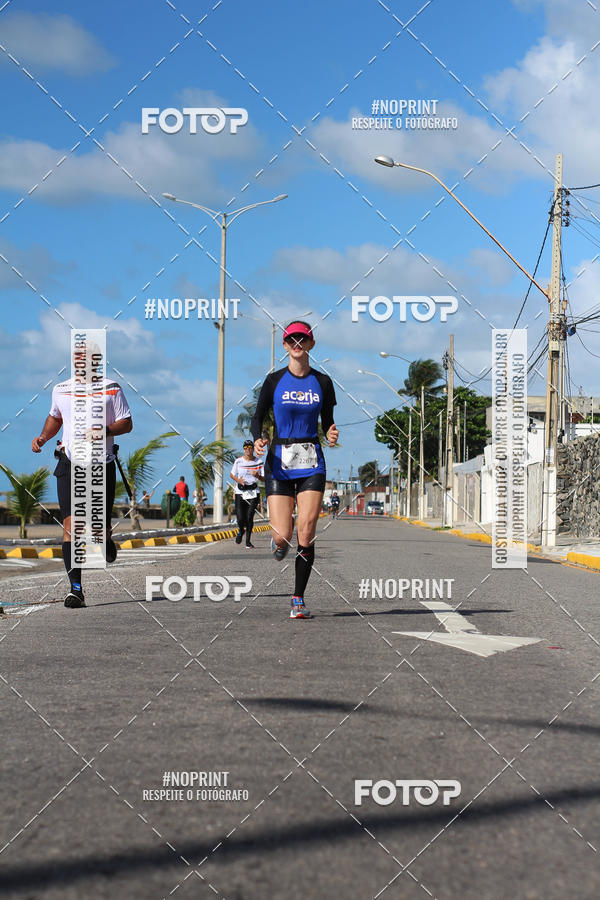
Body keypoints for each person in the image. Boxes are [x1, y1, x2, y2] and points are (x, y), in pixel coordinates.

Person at [31, 346, 133, 609]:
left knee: (98, 529)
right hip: (69, 463)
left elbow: (127, 423)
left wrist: (104, 430)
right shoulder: (61, 389)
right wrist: (44, 437)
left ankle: (106, 538)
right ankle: (76, 589)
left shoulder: (111, 387)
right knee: (71, 525)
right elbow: (55, 417)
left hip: (101, 464)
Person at [251, 320, 339, 619]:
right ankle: (276, 542)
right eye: (292, 340)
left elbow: (327, 419)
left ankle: (298, 598)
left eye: (303, 339)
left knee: (307, 530)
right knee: (282, 535)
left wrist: (330, 432)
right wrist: (258, 439)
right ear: (285, 346)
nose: (297, 344)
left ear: (311, 343)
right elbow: (257, 417)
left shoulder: (323, 382)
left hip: (312, 460)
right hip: (279, 461)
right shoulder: (274, 381)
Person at [230, 439, 264, 549]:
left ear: (253, 449)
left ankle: (248, 542)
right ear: (243, 449)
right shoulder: (238, 461)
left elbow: (264, 479)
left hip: (253, 492)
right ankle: (240, 531)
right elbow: (232, 474)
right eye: (245, 448)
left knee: (249, 517)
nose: (248, 450)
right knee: (240, 518)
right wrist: (238, 480)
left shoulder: (258, 462)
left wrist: (257, 476)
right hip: (240, 492)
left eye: (250, 448)